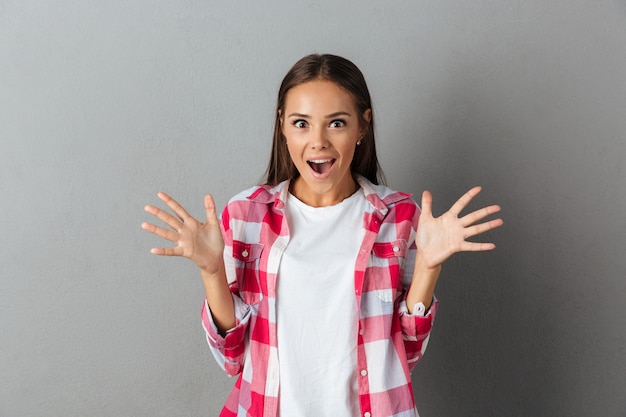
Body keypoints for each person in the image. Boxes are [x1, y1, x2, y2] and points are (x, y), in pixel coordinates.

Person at [142, 54, 503, 417]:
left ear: (363, 126)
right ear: (282, 125)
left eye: (336, 123)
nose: (318, 141)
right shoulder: (245, 215)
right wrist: (211, 272)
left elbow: (406, 352)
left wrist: (428, 267)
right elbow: (232, 358)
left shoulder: (399, 218)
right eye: (301, 123)